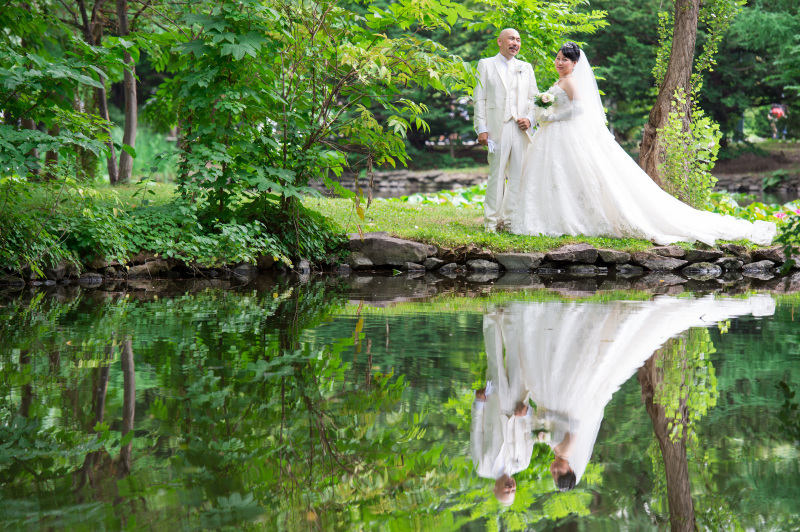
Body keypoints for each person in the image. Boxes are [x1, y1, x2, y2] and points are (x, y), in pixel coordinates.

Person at [510, 42, 776, 246]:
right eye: (558, 58)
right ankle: (555, 216)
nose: (559, 62)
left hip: (565, 131)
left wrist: (551, 117)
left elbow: (579, 110)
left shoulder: (570, 82)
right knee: (558, 176)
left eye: (565, 59)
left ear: (575, 63)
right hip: (555, 134)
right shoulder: (560, 80)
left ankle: (570, 218)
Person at [503, 294, 775, 490]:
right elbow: (573, 424)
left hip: (561, 399)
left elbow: (553, 426)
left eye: (553, 474)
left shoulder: (556, 448)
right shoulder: (566, 448)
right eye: (559, 472)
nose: (554, 470)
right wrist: (547, 418)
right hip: (569, 400)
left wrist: (535, 421)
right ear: (570, 468)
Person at [473, 29, 538, 233]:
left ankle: (511, 222)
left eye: (518, 40)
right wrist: (481, 129)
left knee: (518, 176)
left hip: (520, 129)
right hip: (496, 129)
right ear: (500, 41)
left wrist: (530, 119)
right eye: (511, 39)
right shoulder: (485, 64)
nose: (515, 43)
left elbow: (534, 99)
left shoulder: (526, 67)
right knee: (496, 176)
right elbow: (479, 98)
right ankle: (491, 223)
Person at [470, 309, 534, 505]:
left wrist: (479, 403)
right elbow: (530, 434)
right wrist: (527, 413)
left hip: (494, 404)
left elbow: (476, 432)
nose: (510, 487)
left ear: (495, 489)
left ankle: (491, 314)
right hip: (517, 405)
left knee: (495, 361)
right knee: (516, 360)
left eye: (506, 491)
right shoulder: (523, 463)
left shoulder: (482, 467)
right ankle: (509, 314)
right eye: (513, 490)